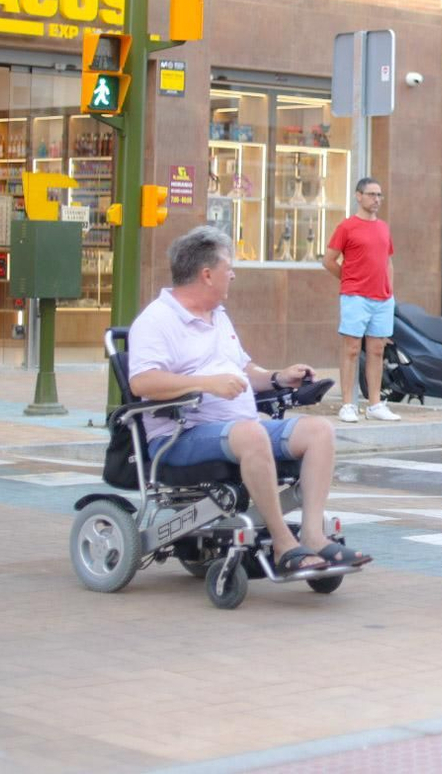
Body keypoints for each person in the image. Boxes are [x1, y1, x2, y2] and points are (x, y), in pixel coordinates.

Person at [129, 225, 370, 574]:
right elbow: (143, 382)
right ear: (207, 274)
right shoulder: (157, 320)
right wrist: (206, 384)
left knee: (319, 431)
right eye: (229, 268)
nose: (233, 275)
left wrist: (276, 377)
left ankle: (314, 537)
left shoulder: (218, 317)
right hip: (182, 435)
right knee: (252, 433)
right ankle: (283, 545)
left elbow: (245, 371)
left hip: (239, 428)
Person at [322, 176, 399, 423]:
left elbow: (388, 262)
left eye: (379, 195)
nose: (376, 199)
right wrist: (349, 280)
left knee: (377, 350)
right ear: (358, 196)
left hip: (382, 299)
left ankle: (375, 404)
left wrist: (390, 292)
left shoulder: (384, 227)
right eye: (371, 194)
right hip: (355, 297)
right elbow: (329, 260)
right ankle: (348, 405)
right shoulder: (347, 226)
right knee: (352, 349)